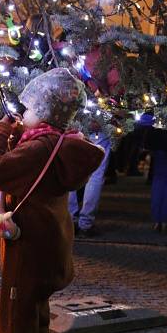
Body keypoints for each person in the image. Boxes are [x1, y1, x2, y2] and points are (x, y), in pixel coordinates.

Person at [0, 68, 104, 333]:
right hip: (50, 240)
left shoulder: (39, 147)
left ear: (45, 112)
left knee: (17, 315)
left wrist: (0, 129)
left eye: (29, 108)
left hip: (29, 245)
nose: (23, 113)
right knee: (34, 311)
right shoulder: (60, 143)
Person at [68, 45, 121, 238]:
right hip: (98, 120)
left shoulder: (68, 50)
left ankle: (70, 219)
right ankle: (86, 223)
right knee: (96, 173)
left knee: (70, 168)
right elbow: (116, 85)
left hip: (72, 119)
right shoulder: (106, 53)